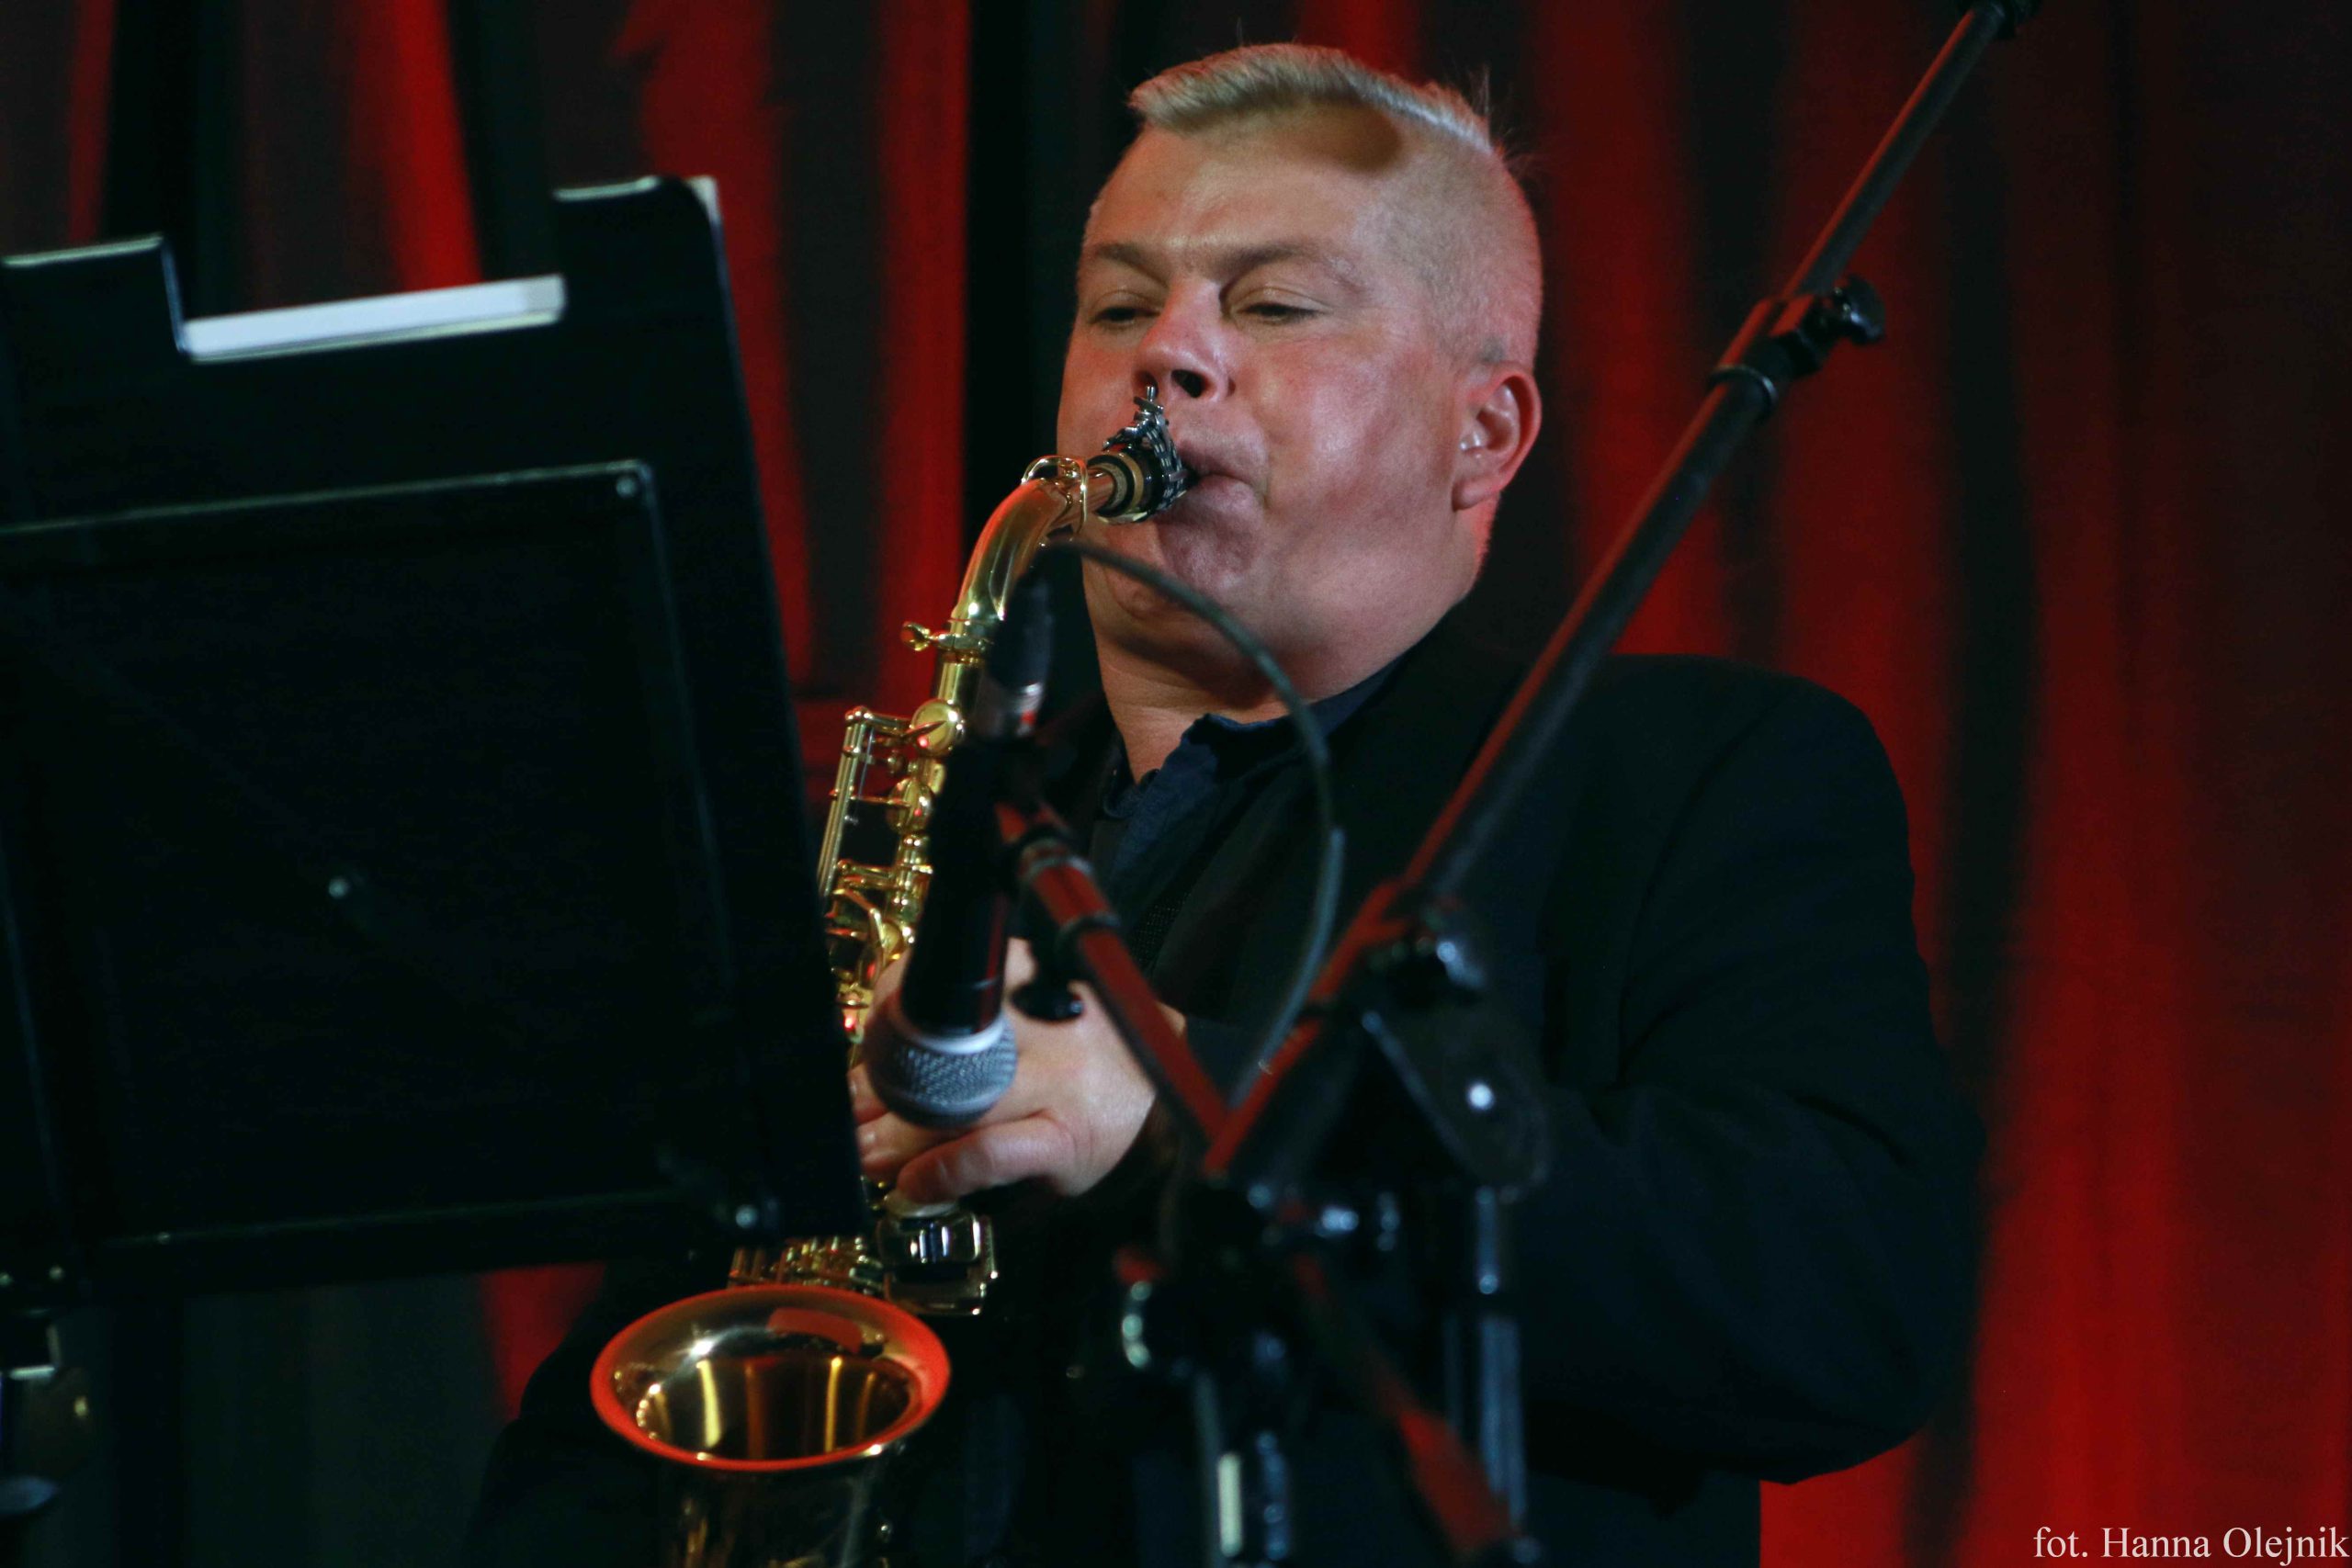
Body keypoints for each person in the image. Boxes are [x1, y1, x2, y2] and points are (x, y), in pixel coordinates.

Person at [470, 42, 1980, 1568]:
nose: (1169, 356)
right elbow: (614, 1412)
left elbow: (1848, 1299)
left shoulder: (1688, 772)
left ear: (1486, 434)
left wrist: (1180, 1102)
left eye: (1274, 305)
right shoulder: (907, 855)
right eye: (1120, 307)